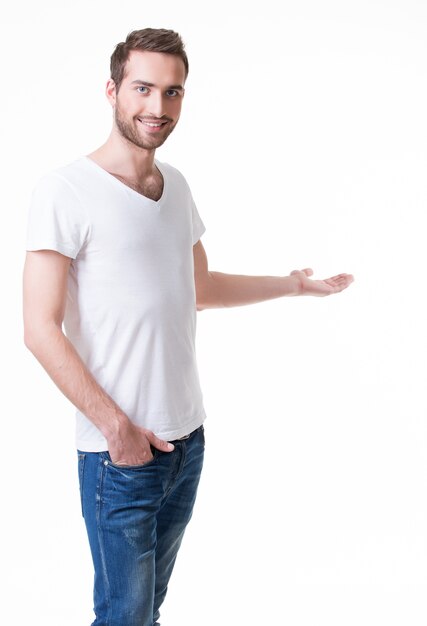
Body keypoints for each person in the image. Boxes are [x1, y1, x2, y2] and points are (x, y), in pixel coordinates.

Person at [23, 28, 354, 626]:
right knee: (123, 619)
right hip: (120, 456)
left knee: (147, 613)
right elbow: (39, 329)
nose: (157, 107)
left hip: (187, 442)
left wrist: (293, 285)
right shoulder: (64, 191)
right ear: (113, 90)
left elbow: (200, 289)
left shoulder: (174, 186)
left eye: (172, 92)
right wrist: (117, 430)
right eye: (143, 88)